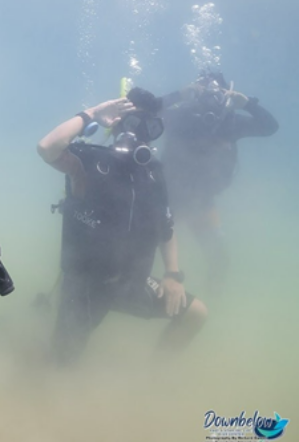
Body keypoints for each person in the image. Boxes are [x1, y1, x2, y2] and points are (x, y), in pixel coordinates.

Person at [37, 87, 208, 366]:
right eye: (131, 123)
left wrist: (173, 275)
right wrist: (92, 114)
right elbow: (47, 148)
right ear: (116, 124)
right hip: (85, 287)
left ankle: (154, 377)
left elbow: (166, 226)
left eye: (149, 126)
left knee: (196, 313)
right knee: (60, 365)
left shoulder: (154, 173)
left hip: (132, 283)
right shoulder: (89, 161)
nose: (138, 132)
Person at [160, 72, 278, 293]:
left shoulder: (230, 122)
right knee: (142, 250)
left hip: (201, 202)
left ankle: (209, 302)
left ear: (227, 94)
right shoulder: (181, 116)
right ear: (195, 92)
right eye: (204, 90)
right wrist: (179, 95)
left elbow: (270, 127)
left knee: (220, 260)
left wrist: (249, 104)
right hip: (166, 199)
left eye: (218, 92)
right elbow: (146, 114)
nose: (210, 97)